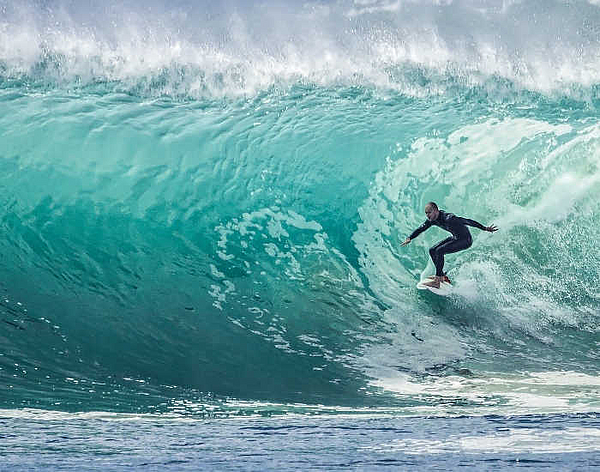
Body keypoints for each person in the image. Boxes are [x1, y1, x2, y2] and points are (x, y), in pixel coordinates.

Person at [401, 202, 498, 288]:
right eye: (426, 213)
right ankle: (442, 276)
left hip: (465, 240)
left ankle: (437, 280)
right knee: (432, 250)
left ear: (435, 210)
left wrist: (485, 228)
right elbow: (421, 228)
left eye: (429, 212)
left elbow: (467, 221)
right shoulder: (432, 220)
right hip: (456, 237)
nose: (427, 215)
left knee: (439, 251)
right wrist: (410, 238)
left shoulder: (449, 218)